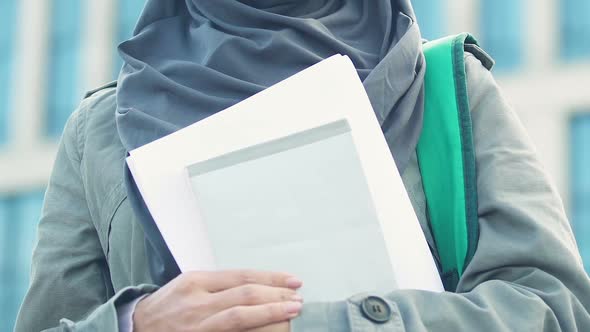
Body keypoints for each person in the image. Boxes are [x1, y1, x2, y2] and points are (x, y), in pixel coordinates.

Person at [15, 0, 590, 331]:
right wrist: (135, 325)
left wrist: (315, 324)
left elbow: (554, 310)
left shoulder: (448, 92)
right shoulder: (98, 133)